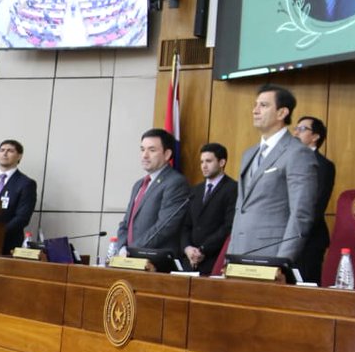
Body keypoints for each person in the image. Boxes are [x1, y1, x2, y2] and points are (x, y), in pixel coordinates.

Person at [227, 84, 320, 262]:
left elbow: (301, 213)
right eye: (255, 105)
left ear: (282, 113)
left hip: (271, 255)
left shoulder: (298, 153)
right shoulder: (249, 154)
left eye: (263, 105)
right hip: (239, 253)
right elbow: (241, 209)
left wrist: (283, 260)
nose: (255, 111)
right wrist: (229, 256)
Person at [114, 129, 189, 253]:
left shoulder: (175, 182)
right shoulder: (138, 184)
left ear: (167, 154)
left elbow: (164, 227)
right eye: (142, 149)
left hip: (155, 262)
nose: (145, 155)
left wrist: (131, 250)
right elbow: (125, 223)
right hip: (130, 258)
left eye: (152, 150)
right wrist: (121, 246)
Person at [177, 143, 237, 275]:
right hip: (190, 261)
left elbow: (228, 227)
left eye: (208, 161)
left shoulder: (233, 188)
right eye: (202, 161)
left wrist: (203, 250)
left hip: (214, 259)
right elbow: (186, 225)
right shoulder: (195, 190)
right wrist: (187, 248)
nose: (203, 166)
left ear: (222, 162)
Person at [293, 115, 336, 282]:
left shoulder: (324, 166)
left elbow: (317, 205)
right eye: (295, 129)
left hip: (308, 239)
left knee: (305, 293)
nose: (296, 133)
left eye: (302, 129)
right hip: (281, 238)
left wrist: (294, 231)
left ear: (315, 137)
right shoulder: (287, 162)